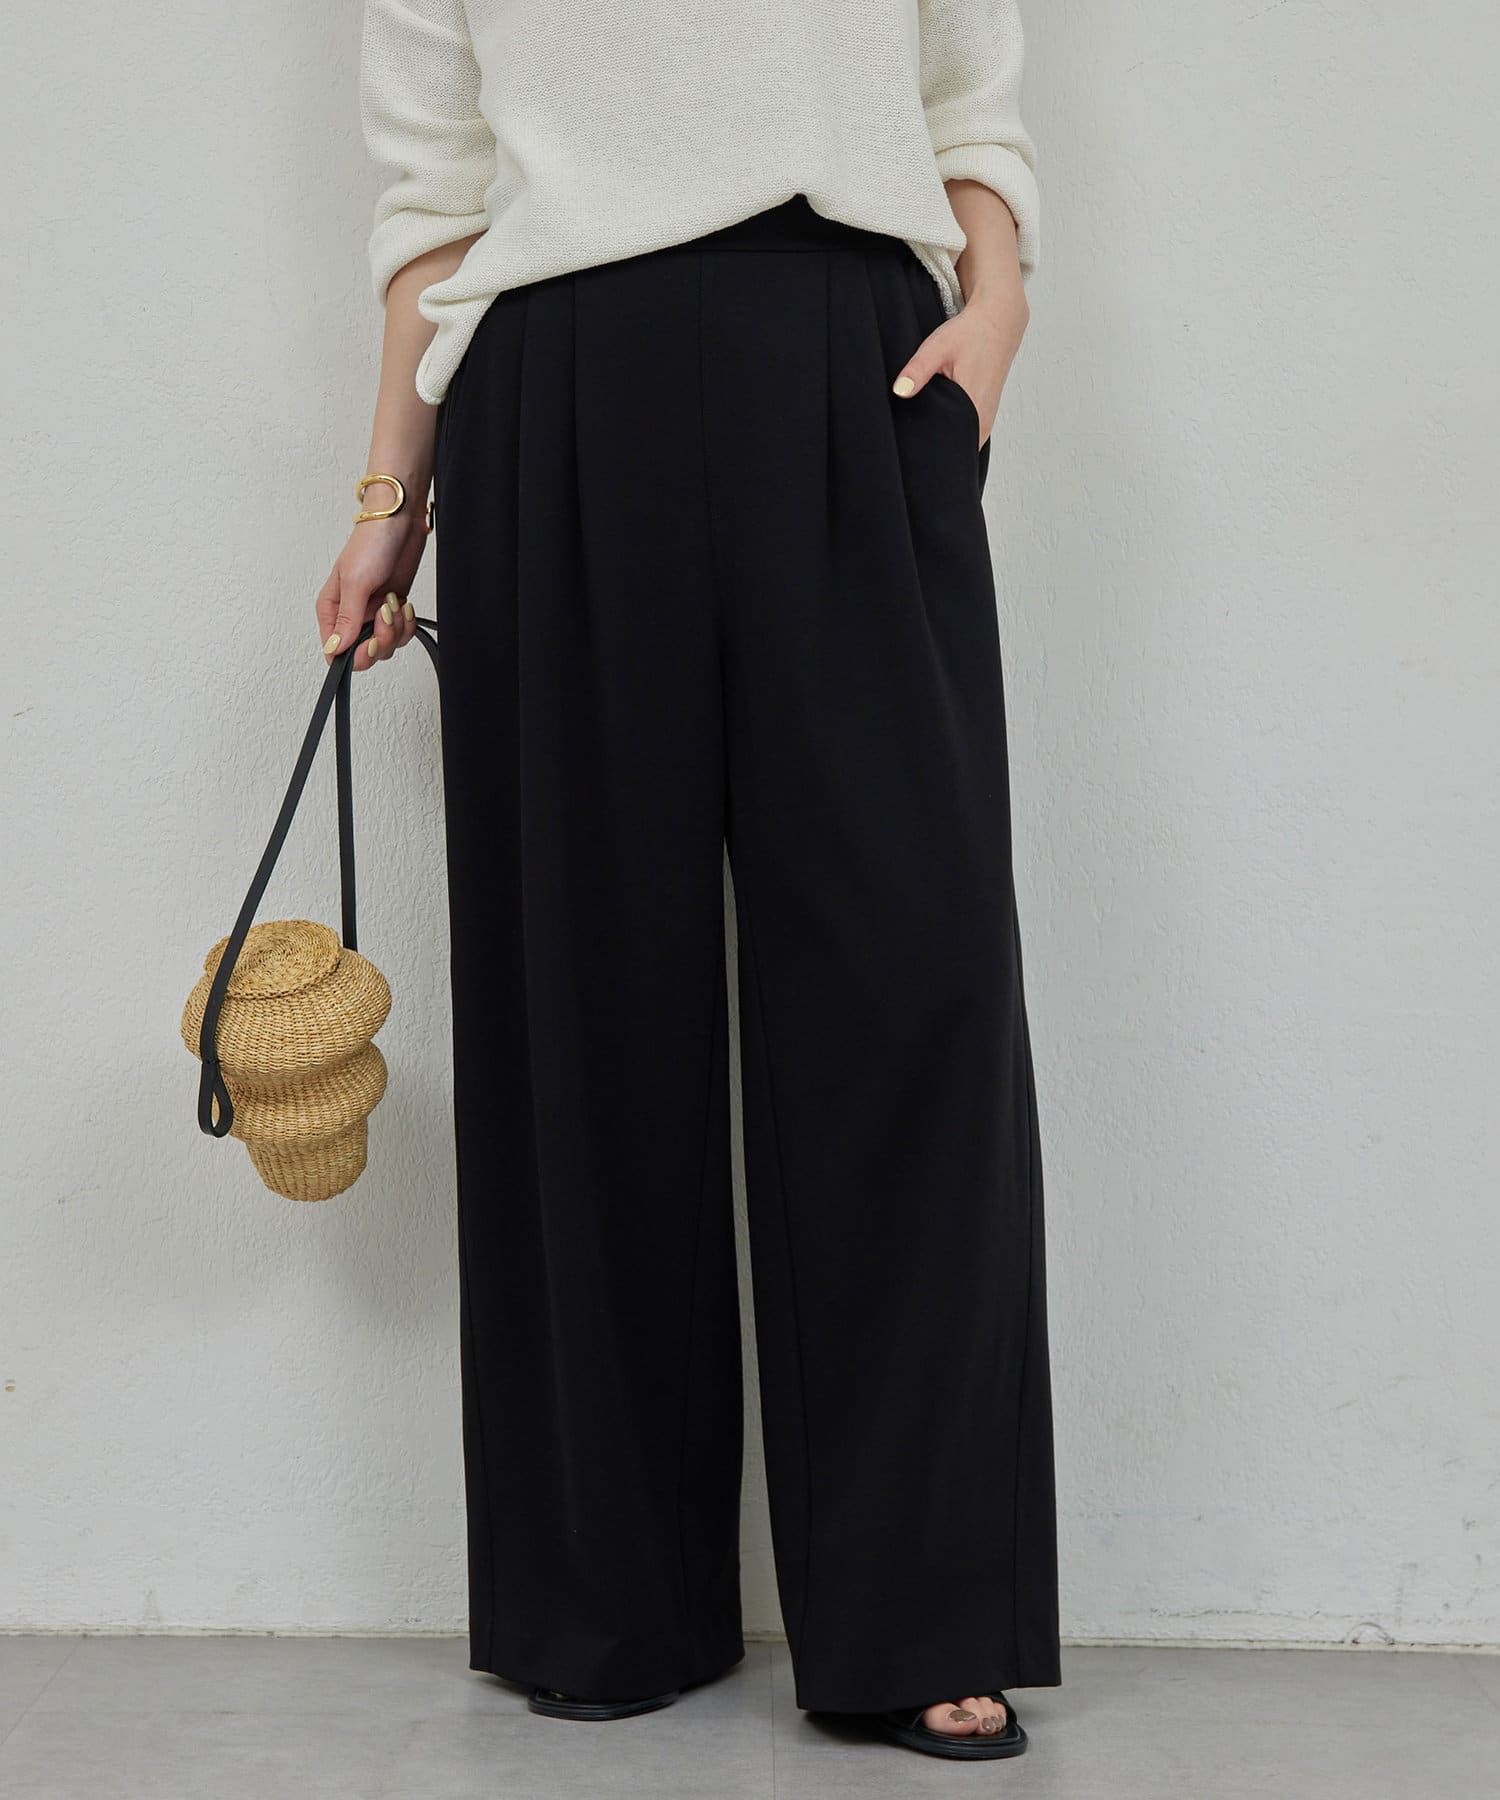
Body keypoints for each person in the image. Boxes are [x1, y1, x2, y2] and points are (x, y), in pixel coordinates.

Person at [316, 0, 1059, 1763]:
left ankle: (918, 1610)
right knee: (583, 986)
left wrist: (996, 309)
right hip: (556, 381)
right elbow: (436, 194)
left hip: (862, 361)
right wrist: (389, 495)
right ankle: (606, 1592)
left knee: (914, 981)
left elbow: (971, 96)